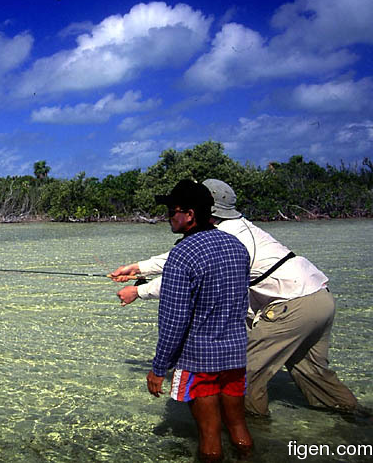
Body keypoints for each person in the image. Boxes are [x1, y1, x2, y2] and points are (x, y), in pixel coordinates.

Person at [112, 179, 358, 417]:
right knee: (312, 372)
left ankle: (258, 440)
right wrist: (137, 268)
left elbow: (185, 277)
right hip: (320, 298)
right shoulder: (236, 229)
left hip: (291, 305)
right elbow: (177, 260)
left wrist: (138, 291)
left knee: (244, 375)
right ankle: (353, 418)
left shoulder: (225, 236)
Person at [146, 179, 252, 462]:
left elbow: (174, 320)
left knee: (209, 436)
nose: (168, 216)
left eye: (172, 210)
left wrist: (158, 368)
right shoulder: (236, 246)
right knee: (238, 426)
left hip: (199, 360)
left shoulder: (181, 255)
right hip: (236, 355)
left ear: (189, 214)